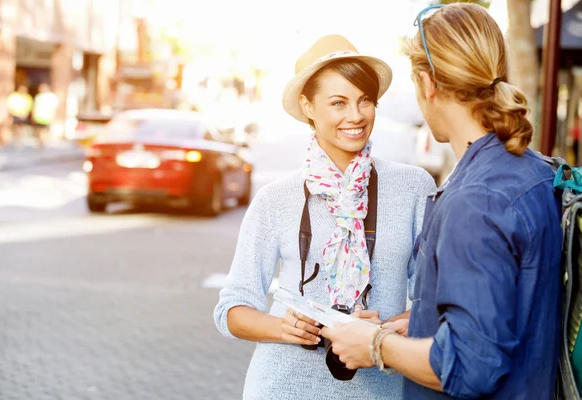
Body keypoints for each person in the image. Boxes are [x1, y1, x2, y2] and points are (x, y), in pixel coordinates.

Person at [320, 4, 563, 399]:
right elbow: (516, 304)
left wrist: (375, 345)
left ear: (427, 83)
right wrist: (422, 320)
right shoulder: (535, 171)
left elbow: (471, 365)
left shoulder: (476, 199)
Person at [213, 34, 436, 399]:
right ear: (308, 107)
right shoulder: (276, 199)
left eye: (365, 100)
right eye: (338, 102)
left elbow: (433, 300)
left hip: (381, 389)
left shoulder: (413, 187)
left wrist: (383, 331)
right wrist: (286, 328)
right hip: (283, 387)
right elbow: (232, 309)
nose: (356, 115)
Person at [32, 83, 58, 148]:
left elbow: (54, 108)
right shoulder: (38, 96)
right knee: (39, 131)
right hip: (38, 117)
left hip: (47, 117)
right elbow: (34, 107)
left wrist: (53, 116)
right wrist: (33, 116)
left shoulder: (51, 96)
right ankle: (41, 142)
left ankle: (41, 143)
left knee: (43, 131)